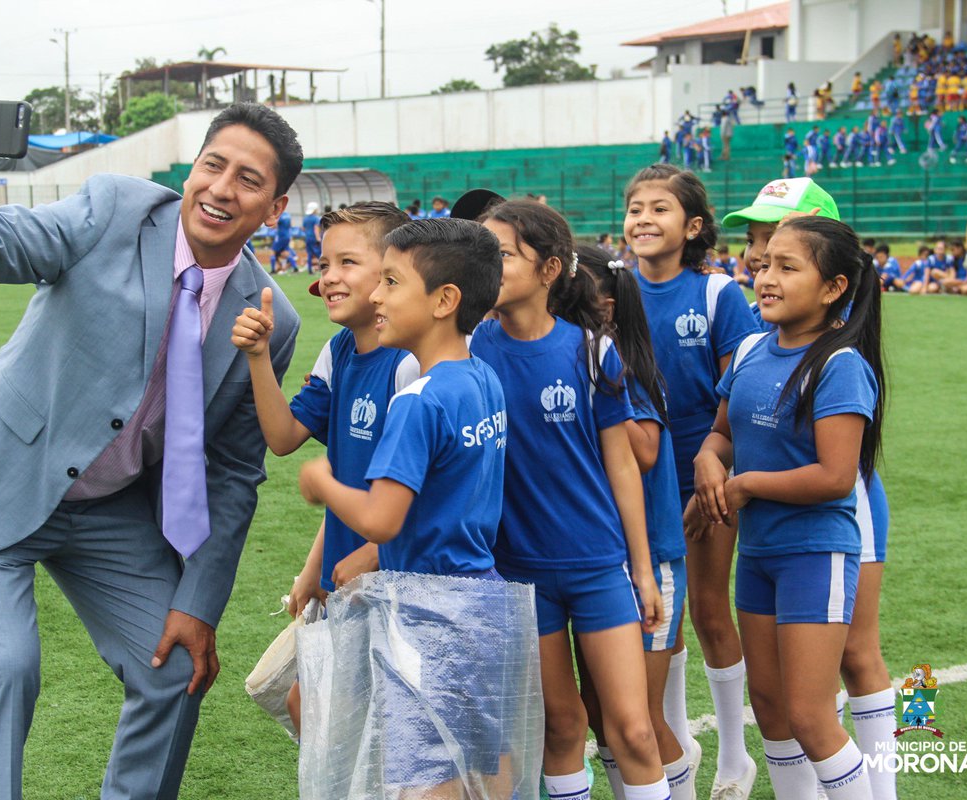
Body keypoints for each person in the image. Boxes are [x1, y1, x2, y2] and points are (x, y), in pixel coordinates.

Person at [0, 95, 303, 799]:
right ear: (192, 170)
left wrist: (198, 604)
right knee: (7, 667)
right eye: (213, 165)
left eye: (249, 180)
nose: (222, 189)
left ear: (275, 207)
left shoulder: (272, 318)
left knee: (176, 669)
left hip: (107, 509)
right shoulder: (113, 210)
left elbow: (234, 474)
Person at [297, 218, 516, 797]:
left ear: (444, 301)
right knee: (485, 763)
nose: (376, 296)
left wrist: (323, 482)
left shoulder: (417, 401)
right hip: (481, 598)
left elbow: (380, 519)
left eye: (391, 282)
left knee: (425, 777)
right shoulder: (482, 378)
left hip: (427, 611)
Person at [465, 200, 672, 800]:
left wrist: (642, 570)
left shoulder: (591, 350)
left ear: (550, 269)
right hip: (519, 574)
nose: (489, 265)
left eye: (503, 254)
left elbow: (623, 466)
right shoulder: (470, 350)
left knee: (633, 730)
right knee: (559, 727)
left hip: (597, 567)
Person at [695, 214, 884, 799]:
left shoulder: (840, 364)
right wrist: (707, 460)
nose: (766, 276)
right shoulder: (752, 349)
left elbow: (834, 476)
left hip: (814, 553)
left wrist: (746, 485)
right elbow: (721, 434)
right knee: (772, 709)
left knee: (809, 714)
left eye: (787, 267)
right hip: (758, 554)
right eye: (764, 263)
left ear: (834, 288)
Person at [229, 201, 417, 733]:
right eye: (323, 262)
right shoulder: (339, 350)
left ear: (393, 273)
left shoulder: (410, 363)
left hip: (397, 578)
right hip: (345, 574)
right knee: (313, 709)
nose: (328, 277)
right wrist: (259, 357)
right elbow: (284, 437)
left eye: (346, 262)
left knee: (368, 726)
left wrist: (374, 554)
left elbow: (430, 484)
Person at [625, 164, 759, 798]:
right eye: (635, 208)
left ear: (694, 226)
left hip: (705, 481)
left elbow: (739, 392)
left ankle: (735, 756)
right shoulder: (613, 288)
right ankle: (677, 739)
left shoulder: (717, 293)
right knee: (661, 617)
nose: (644, 219)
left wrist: (720, 470)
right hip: (639, 483)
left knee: (706, 607)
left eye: (660, 209)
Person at [579, 247, 695, 800]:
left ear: (603, 306)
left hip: (651, 557)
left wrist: (589, 394)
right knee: (601, 710)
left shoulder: (620, 364)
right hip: (600, 561)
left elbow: (644, 451)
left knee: (641, 717)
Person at [270, 206, 299, 273]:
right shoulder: (288, 215)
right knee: (286, 253)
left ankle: (273, 270)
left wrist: (271, 227)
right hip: (287, 236)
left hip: (280, 236)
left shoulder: (279, 215)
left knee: (273, 252)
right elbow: (291, 225)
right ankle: (295, 268)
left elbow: (274, 225)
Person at [301, 201, 322, 273]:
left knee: (309, 254)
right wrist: (318, 239)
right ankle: (322, 268)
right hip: (314, 238)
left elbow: (303, 228)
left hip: (307, 238)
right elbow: (316, 229)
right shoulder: (316, 218)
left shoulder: (305, 218)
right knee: (319, 253)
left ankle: (310, 270)